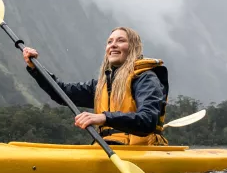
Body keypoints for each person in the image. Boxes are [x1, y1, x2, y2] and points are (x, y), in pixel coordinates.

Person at [23, 26, 170, 146]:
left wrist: (103, 118)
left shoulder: (145, 78)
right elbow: (61, 93)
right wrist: (36, 68)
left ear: (133, 47)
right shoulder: (102, 85)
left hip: (140, 151)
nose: (113, 45)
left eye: (120, 41)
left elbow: (147, 121)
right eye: (110, 41)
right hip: (106, 148)